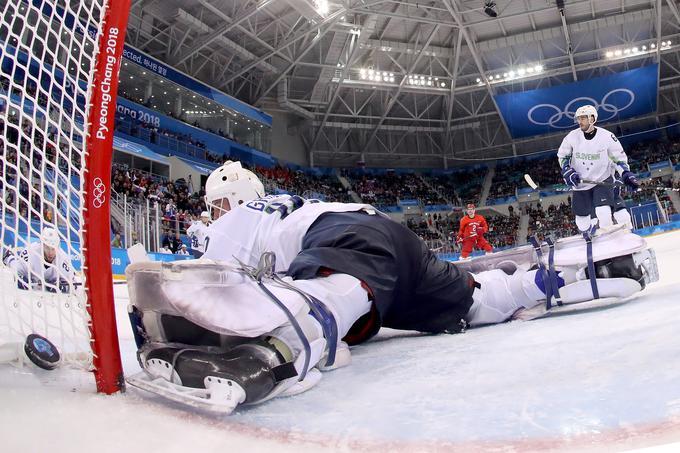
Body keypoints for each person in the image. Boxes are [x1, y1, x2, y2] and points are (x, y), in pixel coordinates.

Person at [125, 160, 656, 414]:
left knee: (326, 297)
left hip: (349, 244)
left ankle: (271, 361)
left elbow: (208, 287)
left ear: (228, 200)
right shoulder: (279, 206)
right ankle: (575, 273)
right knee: (473, 300)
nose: (210, 214)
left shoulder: (232, 220)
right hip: (385, 244)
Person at [557, 104, 640, 233]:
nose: (580, 121)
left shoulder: (607, 137)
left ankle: (610, 239)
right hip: (580, 183)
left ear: (592, 119)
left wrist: (625, 173)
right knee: (582, 222)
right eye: (578, 118)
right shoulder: (572, 136)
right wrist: (567, 170)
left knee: (603, 212)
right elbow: (562, 156)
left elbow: (618, 158)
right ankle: (591, 238)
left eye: (583, 118)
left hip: (602, 180)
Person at [2, 227, 75, 292]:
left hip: (50, 277)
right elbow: (17, 272)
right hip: (31, 273)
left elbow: (73, 283)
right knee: (14, 264)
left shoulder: (63, 258)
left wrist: (64, 286)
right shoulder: (31, 252)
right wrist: (20, 279)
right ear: (42, 245)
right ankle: (9, 257)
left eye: (53, 249)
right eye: (47, 248)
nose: (50, 253)